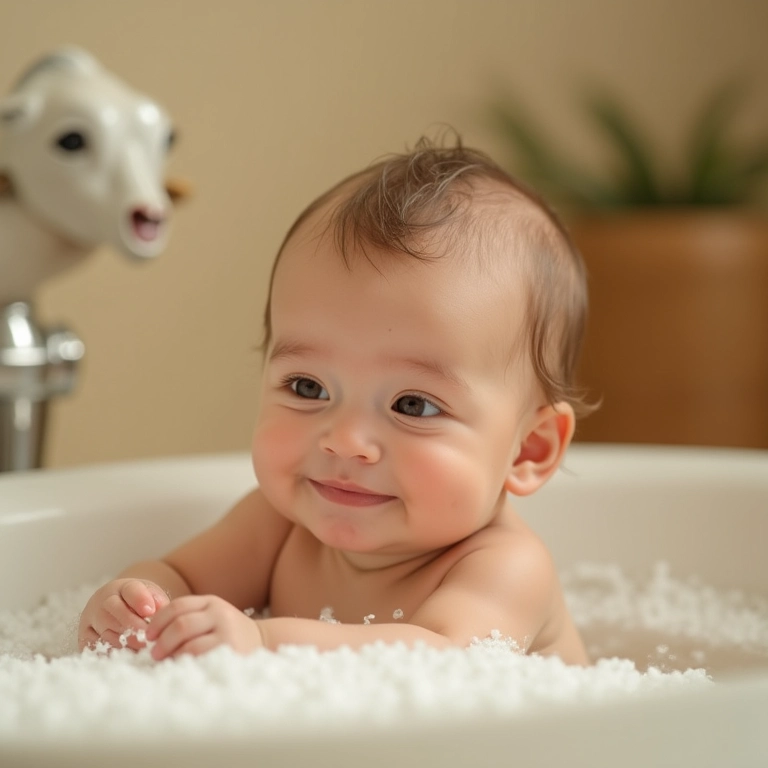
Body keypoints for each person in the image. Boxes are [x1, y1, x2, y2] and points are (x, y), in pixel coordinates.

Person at [79, 135, 591, 665]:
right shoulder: (281, 522)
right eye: (308, 388)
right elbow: (181, 574)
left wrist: (262, 640)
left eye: (412, 405)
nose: (345, 441)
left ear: (529, 450)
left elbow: (446, 662)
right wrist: (137, 599)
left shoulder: (506, 566)